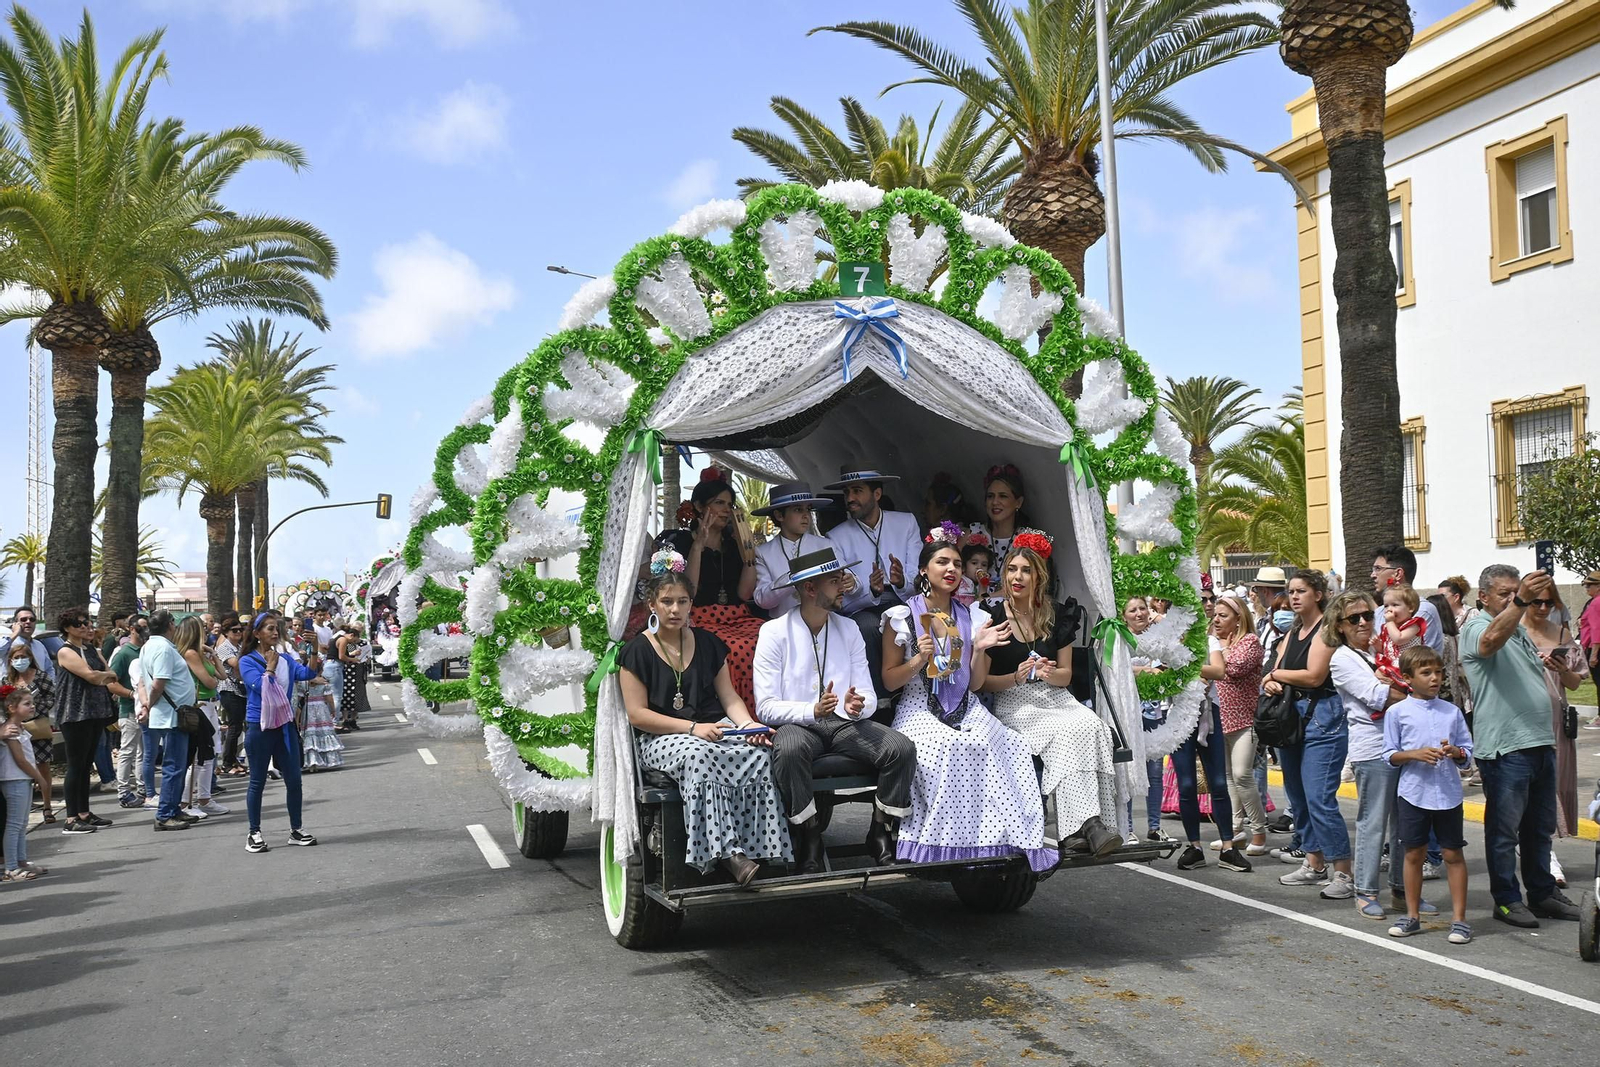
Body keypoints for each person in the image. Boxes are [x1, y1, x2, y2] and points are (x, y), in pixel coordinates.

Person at [881, 535, 1053, 871]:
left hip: (963, 703)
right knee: (947, 747)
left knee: (1008, 744)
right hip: (918, 705)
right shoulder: (903, 615)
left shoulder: (970, 615)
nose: (952, 569)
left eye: (957, 564)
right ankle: (942, 848)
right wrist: (919, 659)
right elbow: (890, 680)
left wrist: (981, 646)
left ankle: (995, 841)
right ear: (923, 570)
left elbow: (973, 683)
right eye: (942, 562)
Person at [620, 550, 791, 885]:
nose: (675, 610)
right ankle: (726, 853)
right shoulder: (636, 651)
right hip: (662, 738)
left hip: (712, 728)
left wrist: (747, 725)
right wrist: (693, 728)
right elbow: (637, 715)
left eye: (682, 602)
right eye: (667, 602)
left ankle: (762, 848)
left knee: (757, 752)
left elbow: (729, 698)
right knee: (698, 756)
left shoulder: (710, 643)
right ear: (652, 604)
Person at [752, 546, 914, 872]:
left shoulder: (849, 628)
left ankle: (881, 832)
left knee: (901, 748)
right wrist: (811, 710)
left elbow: (866, 693)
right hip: (800, 724)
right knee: (791, 748)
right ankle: (809, 834)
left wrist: (858, 707)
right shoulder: (772, 632)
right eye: (834, 580)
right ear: (810, 589)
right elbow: (766, 707)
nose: (843, 586)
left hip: (843, 724)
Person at [980, 534, 1122, 859]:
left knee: (1091, 725)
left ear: (1038, 576)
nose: (1017, 577)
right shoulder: (993, 616)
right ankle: (1089, 825)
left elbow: (1066, 675)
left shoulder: (1058, 614)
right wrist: (1015, 676)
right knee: (1064, 733)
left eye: (1025, 570)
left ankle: (1077, 831)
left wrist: (1046, 672)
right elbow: (982, 683)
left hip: (1056, 697)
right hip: (1014, 701)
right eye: (1012, 569)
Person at [1460, 565, 1578, 927]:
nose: (1514, 599)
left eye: (1517, 592)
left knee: (1538, 830)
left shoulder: (1518, 630)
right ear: (1483, 597)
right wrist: (1523, 601)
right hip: (1506, 748)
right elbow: (1488, 643)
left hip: (1539, 742)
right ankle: (1507, 899)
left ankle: (1542, 894)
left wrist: (1556, 666)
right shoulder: (1477, 626)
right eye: (1505, 594)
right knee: (1503, 832)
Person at [1324, 592, 1425, 920]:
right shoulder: (1342, 658)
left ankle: (1401, 890)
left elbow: (1416, 678)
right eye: (1355, 618)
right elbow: (1378, 696)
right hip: (1373, 748)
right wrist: (1410, 690)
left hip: (1405, 746)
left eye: (1368, 614)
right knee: (1374, 822)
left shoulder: (1381, 650)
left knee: (1405, 823)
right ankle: (1365, 890)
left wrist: (1403, 686)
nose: (1364, 622)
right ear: (1340, 626)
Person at [1265, 570, 1353, 895]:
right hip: (1291, 718)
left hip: (1322, 718)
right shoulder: (1291, 631)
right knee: (1297, 796)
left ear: (1318, 593)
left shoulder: (1326, 631)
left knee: (1319, 798)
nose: (1294, 596)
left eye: (1301, 590)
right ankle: (1315, 862)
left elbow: (1315, 676)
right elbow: (1270, 669)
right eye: (1291, 591)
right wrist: (1270, 679)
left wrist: (1277, 674)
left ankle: (1342, 871)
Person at [1382, 647, 1474, 945]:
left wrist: (1456, 752)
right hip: (1413, 793)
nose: (1435, 678)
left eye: (1438, 672)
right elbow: (1389, 755)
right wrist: (1414, 754)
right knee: (1413, 854)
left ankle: (1459, 919)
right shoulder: (1397, 713)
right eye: (1426, 673)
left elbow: (1467, 754)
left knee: (1452, 854)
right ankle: (1411, 914)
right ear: (1408, 678)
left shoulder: (1452, 712)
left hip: (1448, 794)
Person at [658, 471, 767, 711]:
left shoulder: (732, 544)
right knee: (734, 648)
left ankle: (769, 711)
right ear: (698, 506)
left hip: (737, 616)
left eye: (730, 504)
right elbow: (690, 592)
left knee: (767, 636)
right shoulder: (679, 541)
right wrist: (698, 546)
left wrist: (747, 551)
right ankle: (742, 716)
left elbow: (744, 594)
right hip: (701, 617)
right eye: (719, 503)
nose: (726, 510)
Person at [825, 464, 922, 700]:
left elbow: (917, 576)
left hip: (903, 599)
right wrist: (869, 589)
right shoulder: (835, 536)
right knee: (866, 626)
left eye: (857, 491)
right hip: (862, 606)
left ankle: (919, 696)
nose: (850, 498)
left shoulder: (906, 523)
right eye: (847, 493)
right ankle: (880, 702)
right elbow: (843, 592)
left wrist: (900, 582)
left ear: (876, 494)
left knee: (912, 621)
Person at [238, 612, 321, 853]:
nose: (275, 633)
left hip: (285, 726)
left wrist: (314, 649)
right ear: (256, 634)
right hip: (260, 726)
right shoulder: (247, 661)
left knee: (294, 780)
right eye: (270, 629)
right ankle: (254, 832)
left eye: (277, 629)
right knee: (257, 781)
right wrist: (270, 668)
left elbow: (308, 674)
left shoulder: (285, 658)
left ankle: (296, 829)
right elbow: (259, 686)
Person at [1521, 589, 1588, 886]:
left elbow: (1574, 683)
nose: (1545, 607)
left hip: (1556, 721)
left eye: (1551, 602)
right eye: (1538, 602)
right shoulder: (1513, 633)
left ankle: (1543, 849)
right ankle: (1543, 853)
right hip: (1523, 719)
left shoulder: (1561, 634)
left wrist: (1562, 669)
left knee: (1555, 784)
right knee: (1532, 786)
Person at [1202, 594, 1267, 860]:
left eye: (1223, 615)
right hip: (1220, 719)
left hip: (1244, 721)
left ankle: (1259, 831)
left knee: (1242, 775)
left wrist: (1216, 655)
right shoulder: (1215, 644)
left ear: (1238, 618)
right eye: (1215, 615)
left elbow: (1233, 668)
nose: (1216, 620)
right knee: (1227, 778)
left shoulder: (1249, 642)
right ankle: (1236, 828)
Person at [53, 606, 124, 836]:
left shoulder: (92, 649)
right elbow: (93, 676)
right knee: (76, 764)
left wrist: (103, 677)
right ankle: (71, 817)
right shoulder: (66, 651)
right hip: (75, 714)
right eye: (79, 624)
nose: (85, 626)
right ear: (67, 628)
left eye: (87, 622)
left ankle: (84, 812)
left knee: (86, 765)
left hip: (95, 712)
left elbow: (110, 673)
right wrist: (102, 677)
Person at [139, 609, 200, 832]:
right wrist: (149, 704)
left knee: (177, 765)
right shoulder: (163, 648)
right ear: (170, 625)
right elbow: (158, 683)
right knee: (174, 766)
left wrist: (147, 704)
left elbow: (145, 683)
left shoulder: (149, 646)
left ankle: (173, 809)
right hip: (173, 716)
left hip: (170, 714)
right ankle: (165, 814)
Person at [751, 481, 840, 617]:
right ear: (779, 515)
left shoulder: (825, 545)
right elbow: (762, 600)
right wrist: (792, 578)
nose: (806, 515)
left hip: (823, 622)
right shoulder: (763, 552)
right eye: (798, 510)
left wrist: (852, 582)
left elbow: (849, 578)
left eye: (808, 509)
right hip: (783, 628)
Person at [1126, 595, 1170, 844]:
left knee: (1155, 772)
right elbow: (1115, 665)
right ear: (1124, 616)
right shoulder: (1120, 638)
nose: (1139, 613)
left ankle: (1155, 827)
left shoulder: (1158, 638)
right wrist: (1145, 671)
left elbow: (1171, 662)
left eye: (1143, 608)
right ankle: (1128, 827)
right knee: (1131, 770)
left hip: (1155, 711)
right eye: (1133, 610)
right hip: (1129, 713)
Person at [176, 616, 229, 818]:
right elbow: (210, 682)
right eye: (203, 629)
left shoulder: (200, 653)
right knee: (199, 756)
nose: (207, 631)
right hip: (199, 706)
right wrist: (213, 676)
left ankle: (204, 798)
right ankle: (186, 801)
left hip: (209, 705)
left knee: (209, 755)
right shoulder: (190, 653)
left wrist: (213, 654)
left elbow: (222, 676)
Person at [1, 685, 50, 881]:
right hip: (14, 778)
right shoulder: (10, 729)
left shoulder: (20, 728)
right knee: (14, 824)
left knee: (22, 823)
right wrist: (39, 777)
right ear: (12, 707)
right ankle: (11, 867)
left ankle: (21, 860)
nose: (32, 707)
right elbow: (20, 759)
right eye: (27, 704)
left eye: (32, 703)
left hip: (23, 778)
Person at [4, 640, 55, 823]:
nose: (20, 661)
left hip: (38, 727)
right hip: (15, 729)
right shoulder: (7, 681)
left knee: (43, 766)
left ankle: (47, 806)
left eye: (23, 657)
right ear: (10, 660)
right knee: (20, 765)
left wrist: (35, 708)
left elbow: (52, 696)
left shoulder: (40, 677)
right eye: (16, 658)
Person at [107, 616, 148, 808]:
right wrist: (133, 695)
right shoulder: (124, 654)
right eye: (142, 628)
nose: (145, 631)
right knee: (128, 751)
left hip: (146, 710)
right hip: (129, 710)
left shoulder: (146, 650)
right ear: (132, 629)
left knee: (144, 751)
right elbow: (111, 683)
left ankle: (142, 788)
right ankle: (123, 791)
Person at [1371, 545, 1442, 652]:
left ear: (1398, 573)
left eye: (1378, 569)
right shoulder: (1378, 612)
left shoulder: (1423, 610)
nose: (1373, 575)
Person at [979, 464, 1034, 591]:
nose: (995, 502)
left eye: (1003, 496)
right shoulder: (971, 535)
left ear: (1018, 502)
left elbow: (1035, 587)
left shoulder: (1030, 540)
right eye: (990, 496)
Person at [1373, 582, 1427, 687]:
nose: (1389, 609)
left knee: (1380, 674)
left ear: (1410, 608)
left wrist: (1389, 622)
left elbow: (1399, 639)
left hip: (1408, 664)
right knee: (1378, 674)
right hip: (1392, 663)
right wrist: (1377, 644)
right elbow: (1386, 648)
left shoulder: (1414, 625)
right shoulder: (1389, 627)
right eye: (1386, 606)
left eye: (1395, 605)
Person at [214, 613, 248, 776]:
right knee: (234, 727)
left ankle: (233, 759)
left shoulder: (240, 647)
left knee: (238, 725)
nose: (238, 633)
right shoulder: (224, 647)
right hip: (228, 689)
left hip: (240, 690)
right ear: (226, 632)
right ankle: (227, 762)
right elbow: (236, 663)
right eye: (234, 630)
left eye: (240, 630)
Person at [1578, 569, 1600, 729]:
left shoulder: (1595, 603)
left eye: (1589, 586)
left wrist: (1593, 654)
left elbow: (1596, 629)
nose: (1586, 589)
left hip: (1596, 648)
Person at [9, 607, 54, 679]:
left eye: (32, 619)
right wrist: (16, 632)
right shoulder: (8, 644)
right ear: (15, 623)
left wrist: (50, 684)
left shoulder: (39, 645)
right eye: (23, 619)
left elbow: (48, 668)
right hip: (13, 688)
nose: (28, 622)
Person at [1249, 567, 1289, 640]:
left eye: (1256, 590)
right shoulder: (1271, 614)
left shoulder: (1281, 617)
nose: (1257, 595)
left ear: (1264, 591)